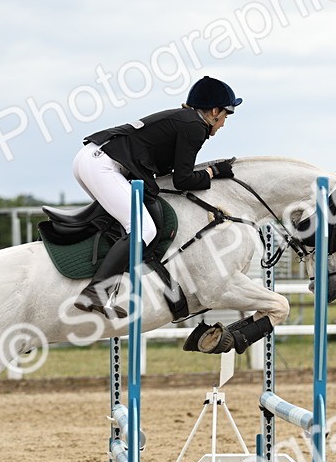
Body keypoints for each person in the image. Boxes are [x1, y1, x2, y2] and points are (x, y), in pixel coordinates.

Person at [70, 75, 240, 316]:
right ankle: (94, 292)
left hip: (91, 159)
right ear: (214, 111)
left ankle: (104, 285)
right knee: (143, 230)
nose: (223, 123)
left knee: (129, 224)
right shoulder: (195, 126)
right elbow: (183, 180)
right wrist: (213, 172)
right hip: (102, 164)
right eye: (226, 116)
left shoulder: (185, 120)